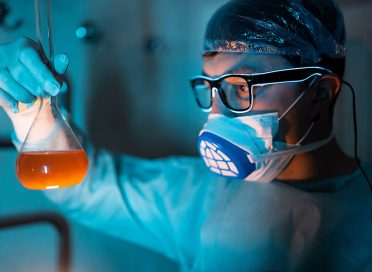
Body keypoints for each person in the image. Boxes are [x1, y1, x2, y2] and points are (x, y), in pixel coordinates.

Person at [1, 0, 371, 271]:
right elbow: (83, 186)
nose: (217, 113)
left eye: (240, 87)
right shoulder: (202, 192)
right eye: (208, 87)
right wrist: (34, 114)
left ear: (320, 92)